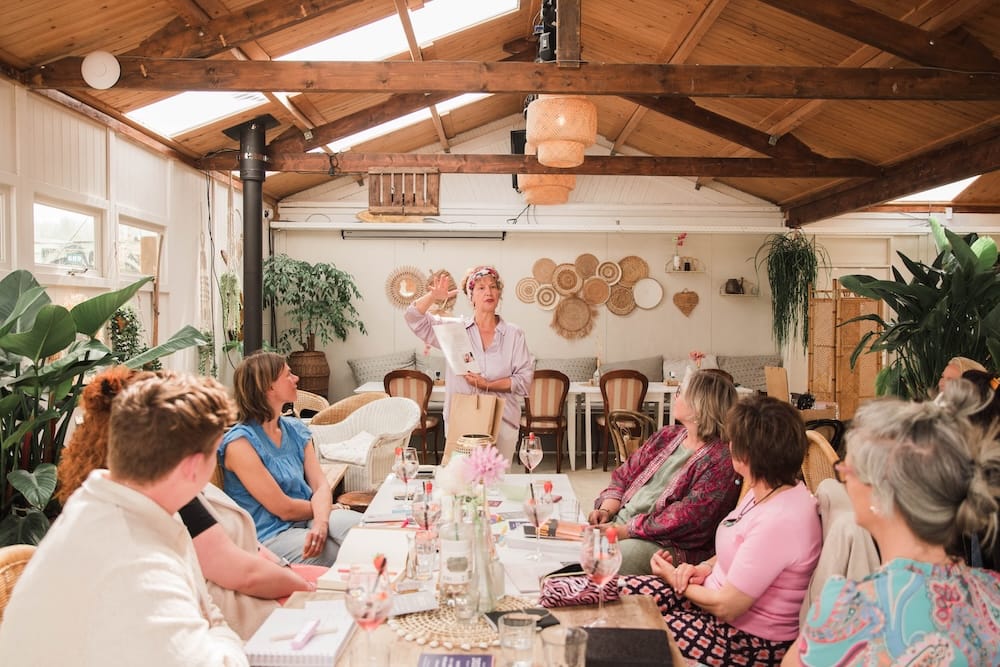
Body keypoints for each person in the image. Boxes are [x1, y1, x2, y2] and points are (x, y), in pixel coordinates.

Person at [0, 373, 248, 666]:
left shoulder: (102, 509)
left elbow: (207, 615)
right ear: (193, 467)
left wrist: (217, 634)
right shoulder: (137, 561)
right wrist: (223, 638)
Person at [56, 365, 313, 639]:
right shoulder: (161, 505)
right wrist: (306, 587)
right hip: (244, 618)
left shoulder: (109, 498)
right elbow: (235, 579)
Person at [783, 387, 1000, 666]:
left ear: (880, 493)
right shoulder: (992, 594)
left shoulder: (850, 610)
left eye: (848, 469)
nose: (843, 478)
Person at [621, 396, 821, 666]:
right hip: (710, 600)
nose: (727, 446)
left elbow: (726, 606)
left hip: (743, 639)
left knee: (625, 635)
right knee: (616, 591)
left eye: (732, 441)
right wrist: (702, 568)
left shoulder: (780, 519)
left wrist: (672, 577)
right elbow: (739, 546)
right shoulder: (770, 488)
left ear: (747, 455)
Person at [589, 369, 742, 574]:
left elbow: (688, 518)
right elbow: (624, 474)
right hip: (620, 523)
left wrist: (625, 531)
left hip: (667, 542)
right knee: (568, 545)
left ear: (700, 406)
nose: (676, 396)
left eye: (681, 392)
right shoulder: (667, 435)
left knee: (601, 560)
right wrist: (606, 510)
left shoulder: (721, 459)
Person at [221, 351, 361, 566]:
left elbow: (321, 485)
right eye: (288, 375)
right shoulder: (240, 444)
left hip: (309, 518)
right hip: (270, 534)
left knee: (364, 531)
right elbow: (283, 508)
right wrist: (326, 508)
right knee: (337, 554)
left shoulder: (295, 430)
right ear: (268, 386)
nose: (296, 379)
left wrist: (322, 520)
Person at [405, 265, 533, 461]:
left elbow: (524, 380)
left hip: (504, 422)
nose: (488, 292)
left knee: (497, 485)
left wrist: (487, 384)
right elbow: (414, 318)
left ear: (499, 294)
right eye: (481, 288)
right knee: (461, 483)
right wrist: (433, 297)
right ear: (470, 296)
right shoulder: (453, 330)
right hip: (461, 419)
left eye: (493, 286)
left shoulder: (514, 334)